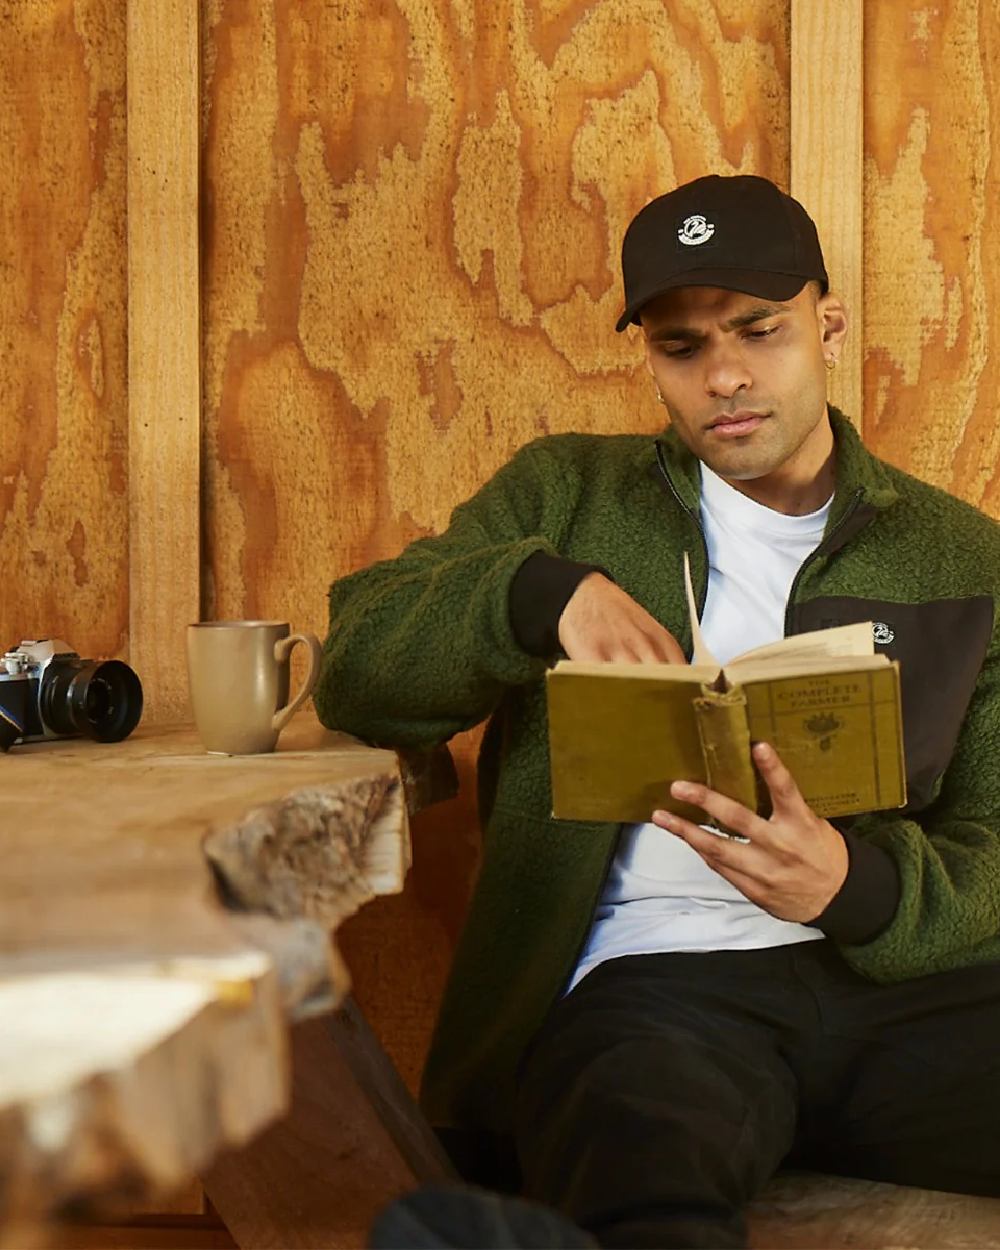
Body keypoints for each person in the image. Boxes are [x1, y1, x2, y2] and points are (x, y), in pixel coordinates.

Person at [315, 174, 1000, 1249]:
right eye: (680, 346)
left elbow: (994, 838)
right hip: (656, 987)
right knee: (643, 1173)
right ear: (648, 357)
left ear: (826, 325)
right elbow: (357, 662)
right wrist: (538, 594)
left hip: (892, 981)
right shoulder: (564, 494)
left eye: (758, 330)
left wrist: (854, 886)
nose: (724, 374)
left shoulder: (962, 555)